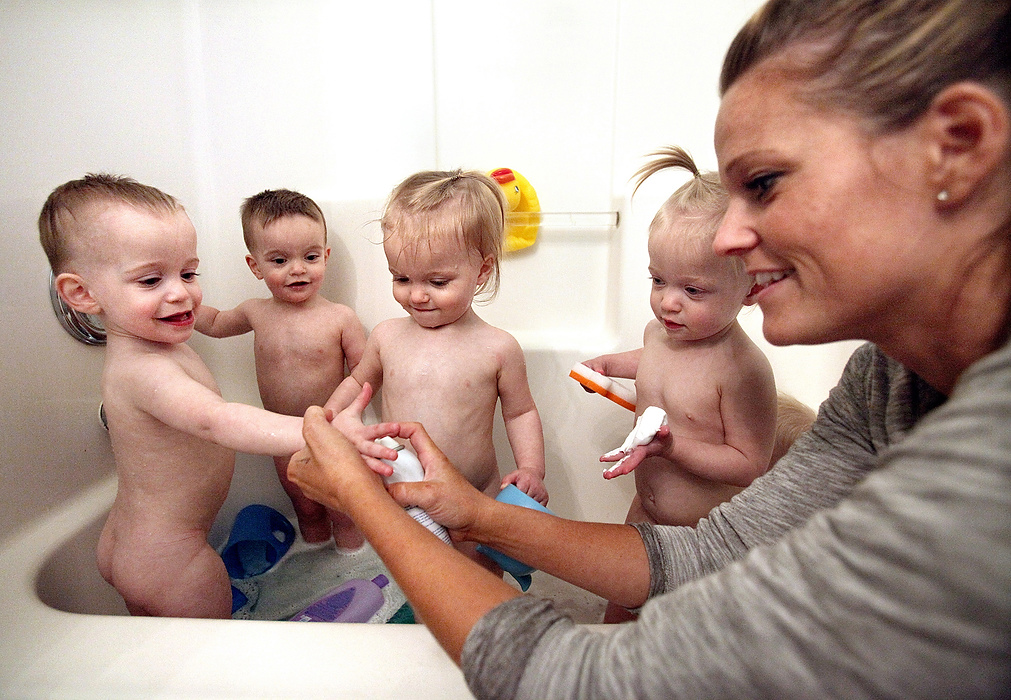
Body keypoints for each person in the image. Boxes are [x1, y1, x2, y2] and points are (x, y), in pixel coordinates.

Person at [288, 0, 1011, 696]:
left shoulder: (987, 470)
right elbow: (712, 553)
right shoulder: (886, 381)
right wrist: (473, 513)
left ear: (957, 146)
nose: (728, 237)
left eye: (763, 183)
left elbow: (579, 683)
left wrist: (361, 497)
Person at [38, 174, 393, 619]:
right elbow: (218, 420)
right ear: (82, 294)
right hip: (171, 558)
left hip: (137, 543)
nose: (181, 292)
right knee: (212, 662)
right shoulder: (145, 369)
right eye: (151, 280)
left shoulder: (154, 351)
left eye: (188, 273)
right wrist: (325, 431)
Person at [582, 146, 777, 622]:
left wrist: (673, 450)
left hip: (702, 536)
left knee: (682, 646)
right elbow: (652, 362)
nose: (668, 303)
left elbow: (750, 466)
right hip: (644, 514)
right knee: (617, 622)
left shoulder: (741, 370)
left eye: (692, 290)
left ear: (751, 288)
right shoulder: (660, 335)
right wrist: (609, 364)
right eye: (657, 280)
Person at [324, 169, 547, 570]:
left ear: (481, 272)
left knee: (478, 578)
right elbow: (358, 382)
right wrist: (331, 417)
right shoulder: (387, 336)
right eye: (402, 278)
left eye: (438, 281)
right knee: (415, 572)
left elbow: (521, 412)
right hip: (402, 491)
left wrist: (531, 468)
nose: (418, 294)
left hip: (473, 494)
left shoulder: (498, 348)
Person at [195, 189, 368, 550]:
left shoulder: (339, 318)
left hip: (333, 433)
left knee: (344, 509)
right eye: (279, 260)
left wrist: (336, 412)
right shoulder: (255, 312)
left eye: (310, 256)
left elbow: (365, 372)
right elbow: (214, 323)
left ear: (326, 256)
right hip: (279, 436)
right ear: (255, 266)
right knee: (305, 507)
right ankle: (315, 559)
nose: (298, 269)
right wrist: (180, 303)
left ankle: (352, 559)